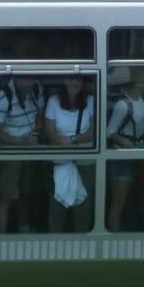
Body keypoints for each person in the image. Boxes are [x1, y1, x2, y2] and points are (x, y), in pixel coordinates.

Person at [0, 73, 43, 233]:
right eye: (25, 79)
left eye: (31, 78)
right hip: (9, 151)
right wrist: (22, 141)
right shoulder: (3, 97)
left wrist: (36, 130)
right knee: (7, 196)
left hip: (30, 149)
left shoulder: (37, 88)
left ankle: (24, 232)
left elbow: (40, 114)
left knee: (25, 192)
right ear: (16, 79)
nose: (28, 83)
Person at [43, 75, 95, 233]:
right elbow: (50, 132)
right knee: (57, 205)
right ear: (64, 81)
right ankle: (55, 248)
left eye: (79, 79)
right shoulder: (53, 101)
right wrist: (62, 142)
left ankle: (83, 247)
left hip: (86, 161)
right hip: (60, 161)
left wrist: (72, 139)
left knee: (83, 207)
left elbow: (94, 131)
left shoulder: (91, 100)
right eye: (72, 78)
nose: (76, 82)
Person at [105, 67, 144, 231]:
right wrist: (125, 142)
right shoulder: (122, 105)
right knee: (118, 202)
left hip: (136, 154)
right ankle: (112, 238)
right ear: (137, 83)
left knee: (130, 199)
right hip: (121, 158)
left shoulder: (141, 100)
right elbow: (109, 132)